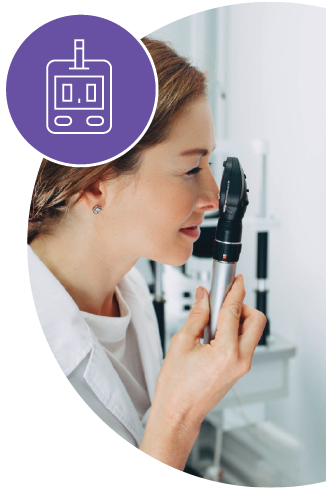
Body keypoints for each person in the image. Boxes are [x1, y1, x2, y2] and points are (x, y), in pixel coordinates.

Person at [27, 37, 266, 470]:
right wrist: (178, 416)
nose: (213, 196)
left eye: (209, 164)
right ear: (97, 180)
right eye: (192, 169)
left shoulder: (131, 293)